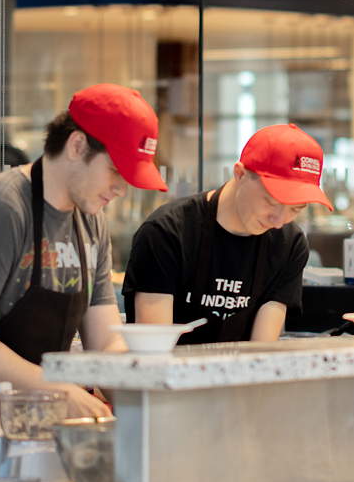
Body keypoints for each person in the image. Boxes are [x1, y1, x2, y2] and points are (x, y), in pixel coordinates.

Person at [0, 84, 167, 482]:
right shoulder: (0, 209)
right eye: (117, 170)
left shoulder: (90, 221)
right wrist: (59, 391)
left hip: (33, 434)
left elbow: (104, 341)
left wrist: (138, 397)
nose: (122, 188)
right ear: (78, 146)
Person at [122, 123, 329, 345]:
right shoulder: (167, 232)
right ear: (239, 174)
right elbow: (153, 350)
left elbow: (261, 349)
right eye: (271, 202)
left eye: (295, 210)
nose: (278, 221)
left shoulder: (289, 243)